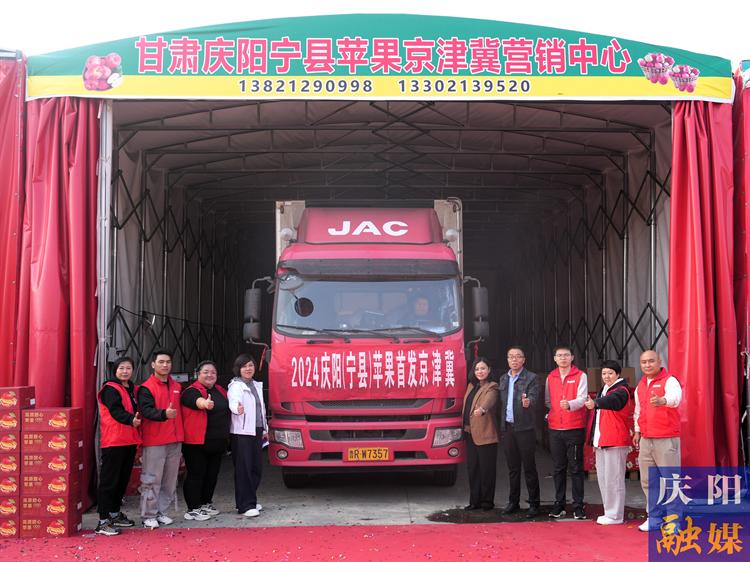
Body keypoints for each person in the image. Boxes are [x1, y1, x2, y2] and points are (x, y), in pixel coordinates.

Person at [633, 350, 682, 532]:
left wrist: (663, 400)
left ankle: (674, 521)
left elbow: (676, 399)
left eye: (651, 361)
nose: (647, 365)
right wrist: (637, 431)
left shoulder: (670, 381)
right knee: (648, 481)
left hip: (666, 438)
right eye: (644, 362)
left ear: (659, 362)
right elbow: (638, 411)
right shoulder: (640, 386)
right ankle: (654, 518)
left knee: (671, 481)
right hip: (646, 439)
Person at [137, 349, 184, 529]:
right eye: (161, 362)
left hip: (175, 440)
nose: (165, 365)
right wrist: (164, 414)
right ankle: (148, 515)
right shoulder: (146, 388)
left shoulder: (176, 386)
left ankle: (161, 511)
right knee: (151, 480)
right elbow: (146, 411)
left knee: (169, 480)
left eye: (168, 362)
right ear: (153, 364)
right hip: (155, 441)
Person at [95, 356, 142, 536]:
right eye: (121, 368)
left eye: (128, 368)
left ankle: (114, 513)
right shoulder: (110, 389)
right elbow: (115, 410)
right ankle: (103, 521)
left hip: (129, 440)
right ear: (115, 370)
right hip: (114, 440)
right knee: (109, 481)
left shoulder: (132, 389)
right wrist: (131, 420)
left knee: (122, 480)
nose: (125, 371)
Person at [584, 360, 633, 525]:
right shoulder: (604, 389)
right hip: (602, 440)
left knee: (614, 480)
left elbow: (614, 401)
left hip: (615, 440)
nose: (606, 376)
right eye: (604, 373)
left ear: (618, 374)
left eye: (610, 373)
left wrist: (596, 403)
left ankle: (615, 515)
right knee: (604, 479)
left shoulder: (622, 390)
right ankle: (609, 512)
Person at [180, 360, 230, 522]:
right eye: (206, 372)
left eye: (213, 372)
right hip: (196, 443)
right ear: (198, 374)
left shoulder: (220, 390)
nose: (210, 375)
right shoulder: (191, 391)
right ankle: (193, 508)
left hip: (217, 441)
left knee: (212, 475)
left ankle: (205, 502)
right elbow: (195, 401)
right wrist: (204, 403)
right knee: (196, 475)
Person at [496, 346, 541, 518]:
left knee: (529, 467)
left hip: (525, 428)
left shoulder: (531, 378)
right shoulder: (503, 378)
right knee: (513, 468)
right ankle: (513, 502)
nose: (514, 359)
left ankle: (534, 504)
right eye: (511, 357)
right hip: (508, 428)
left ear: (524, 359)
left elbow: (534, 397)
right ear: (507, 360)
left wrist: (529, 402)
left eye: (518, 356)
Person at [545, 345, 588, 519]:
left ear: (572, 357)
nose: (563, 358)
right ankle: (559, 504)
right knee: (558, 468)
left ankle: (578, 505)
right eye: (559, 355)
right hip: (555, 428)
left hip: (574, 427)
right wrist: (555, 413)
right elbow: (547, 400)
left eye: (566, 355)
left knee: (576, 468)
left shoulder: (580, 376)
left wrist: (570, 405)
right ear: (555, 359)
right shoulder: (551, 377)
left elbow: (583, 398)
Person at [227, 354, 268, 518]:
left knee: (255, 468)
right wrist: (237, 409)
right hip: (242, 432)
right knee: (244, 469)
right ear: (238, 369)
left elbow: (261, 409)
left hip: (257, 430)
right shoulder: (236, 386)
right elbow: (233, 402)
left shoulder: (256, 385)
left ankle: (250, 499)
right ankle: (245, 505)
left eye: (250, 365)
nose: (248, 369)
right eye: (244, 366)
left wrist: (265, 428)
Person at [462, 357, 500, 511]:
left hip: (486, 434)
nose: (480, 371)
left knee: (487, 470)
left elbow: (489, 401)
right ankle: (474, 501)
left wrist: (482, 409)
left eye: (483, 368)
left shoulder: (492, 387)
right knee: (473, 469)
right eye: (477, 369)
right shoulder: (471, 386)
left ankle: (487, 502)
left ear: (489, 370)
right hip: (469, 433)